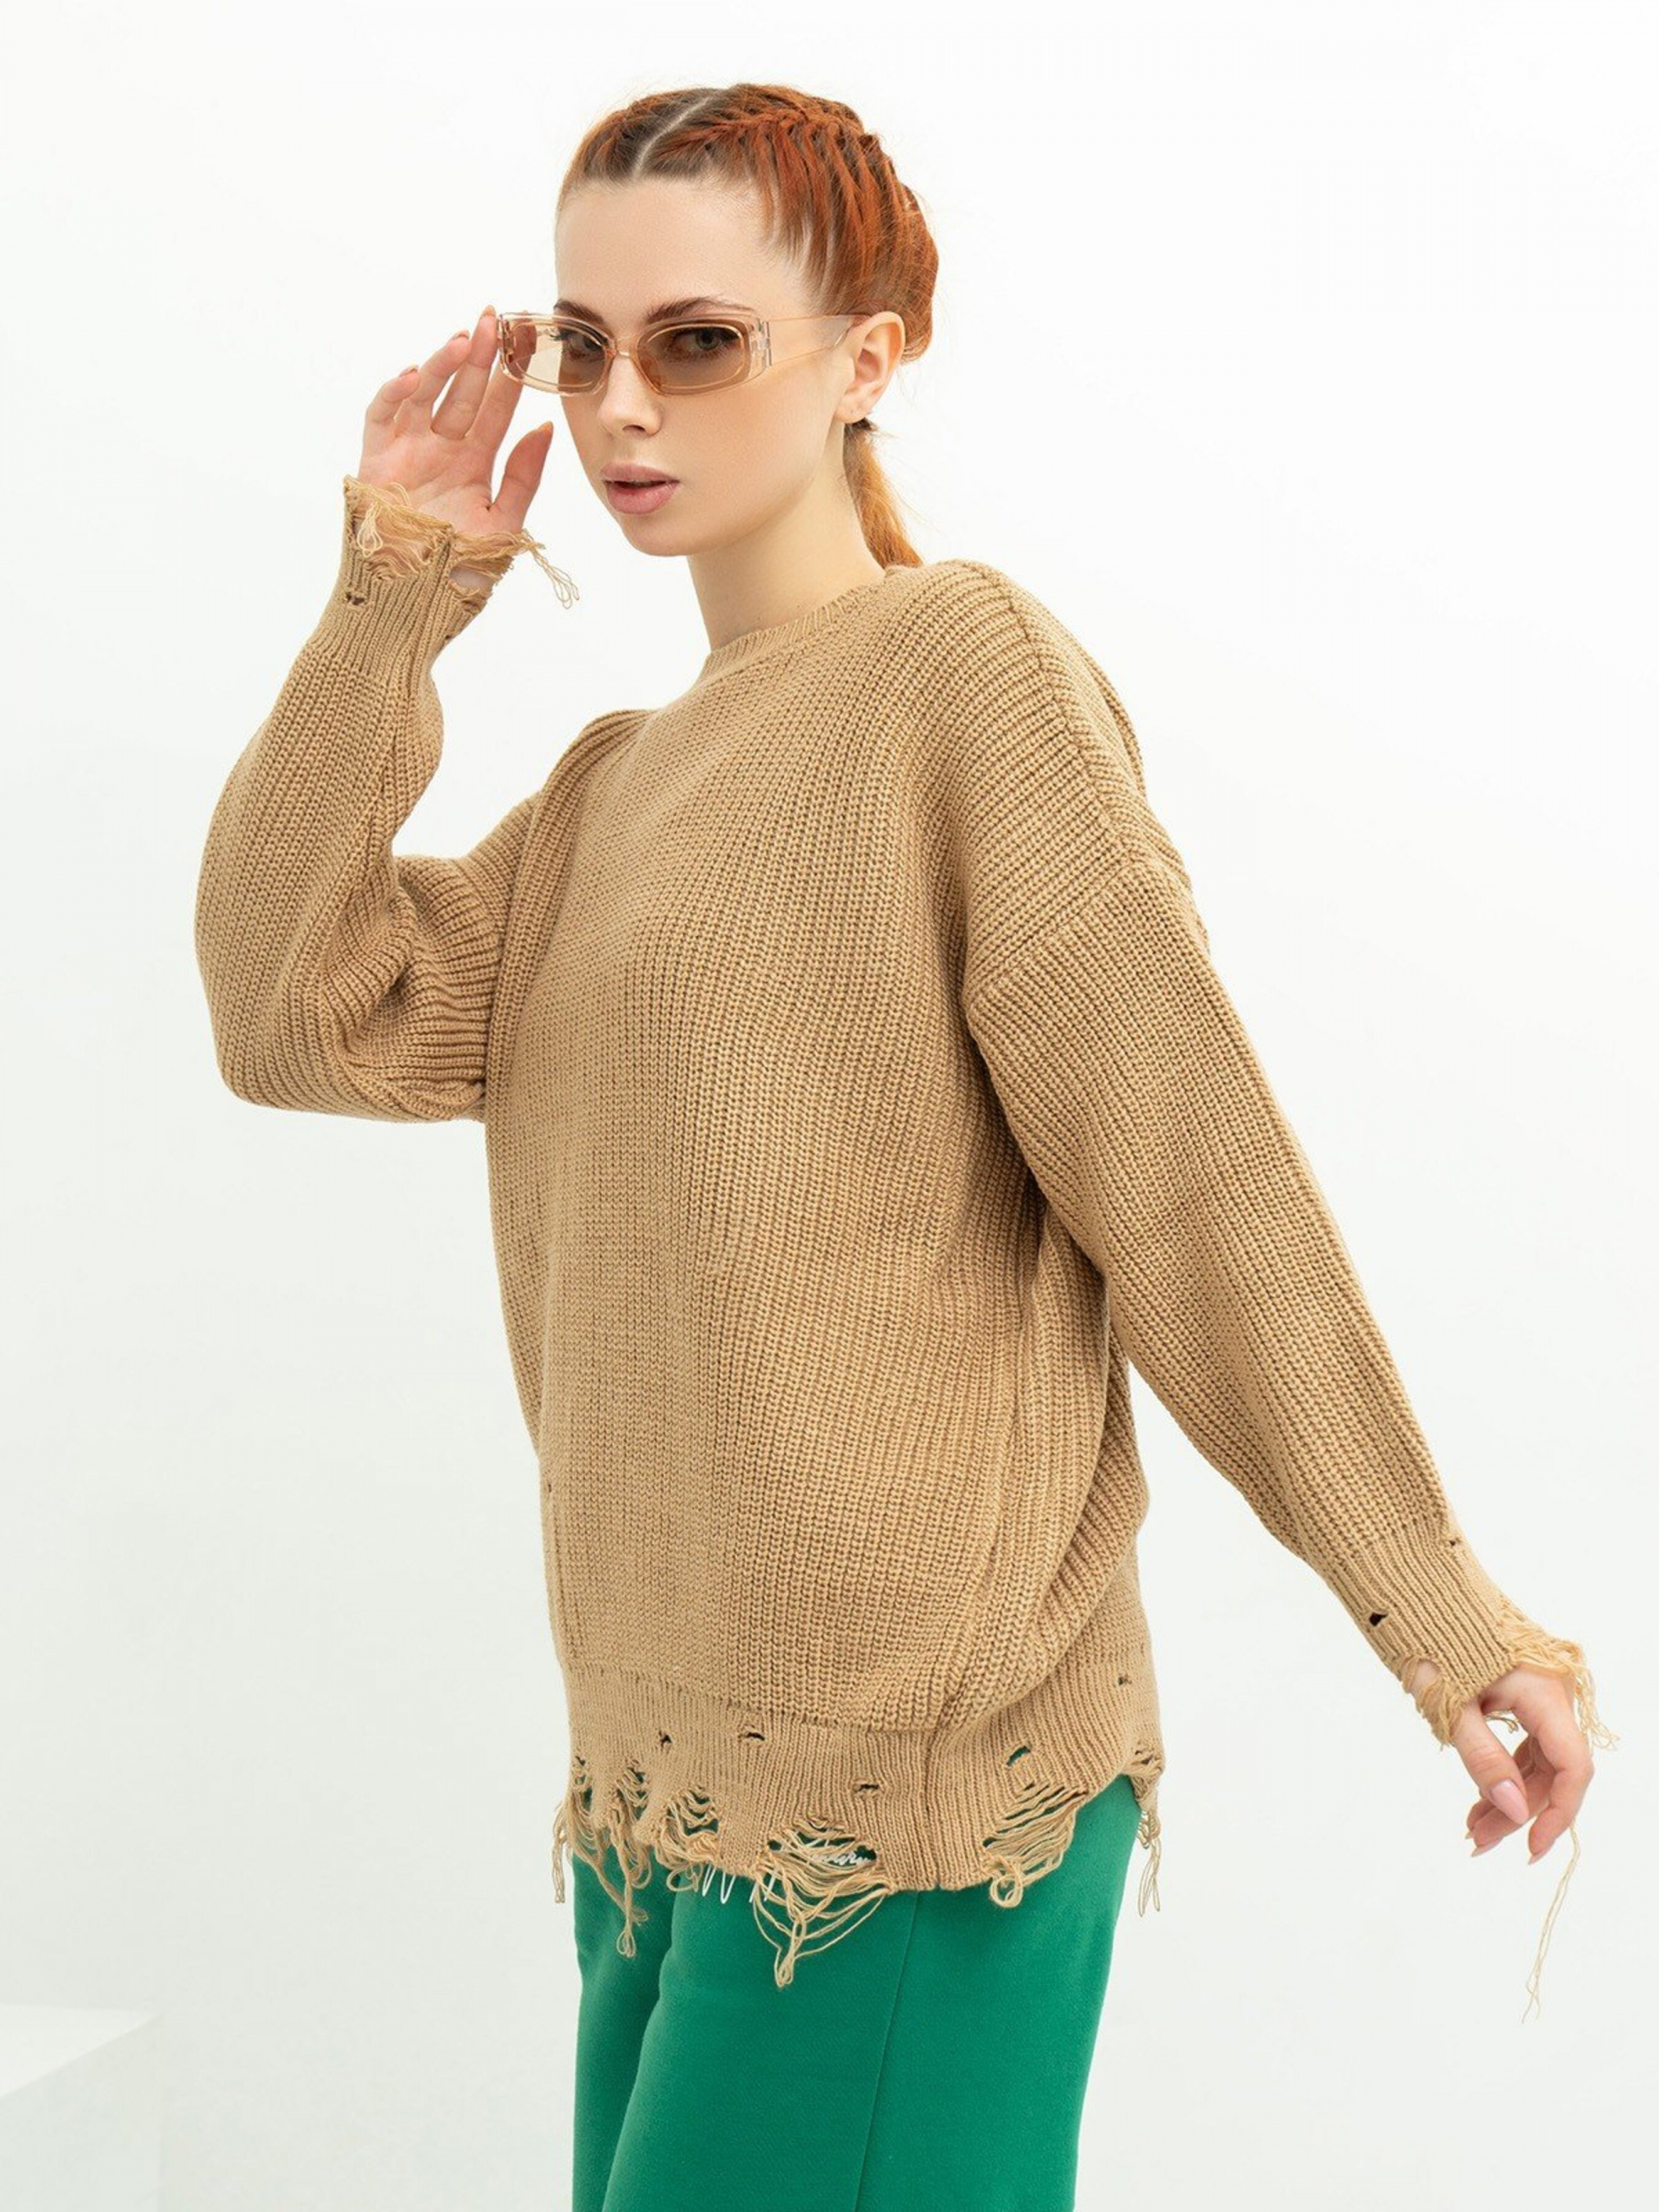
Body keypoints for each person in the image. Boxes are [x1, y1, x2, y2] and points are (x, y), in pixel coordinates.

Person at [193, 79, 1611, 2212]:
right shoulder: (602, 798)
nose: (619, 405)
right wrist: (393, 590)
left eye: (697, 340)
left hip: (919, 1811)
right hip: (672, 1798)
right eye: (581, 343)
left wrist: (1440, 1607)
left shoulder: (963, 678)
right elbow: (290, 1009)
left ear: (871, 351)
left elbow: (1187, 1169)